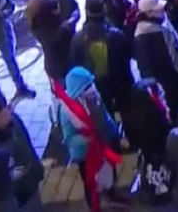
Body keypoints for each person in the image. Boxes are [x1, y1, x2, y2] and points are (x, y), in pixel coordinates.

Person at [53, 67, 126, 210]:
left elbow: (105, 116)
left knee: (109, 172)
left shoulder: (94, 97)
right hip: (85, 154)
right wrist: (89, 139)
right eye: (87, 86)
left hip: (103, 145)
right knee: (91, 182)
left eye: (91, 83)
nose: (91, 88)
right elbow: (69, 139)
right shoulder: (68, 112)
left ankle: (111, 193)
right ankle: (94, 206)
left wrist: (115, 134)